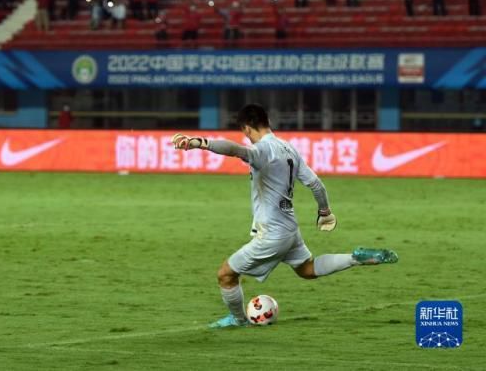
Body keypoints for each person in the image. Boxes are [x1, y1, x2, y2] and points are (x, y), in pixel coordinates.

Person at [171, 104, 399, 329]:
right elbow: (316, 185)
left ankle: (238, 320)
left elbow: (234, 150)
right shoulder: (288, 148)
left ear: (247, 129)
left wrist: (199, 142)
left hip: (272, 233)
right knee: (307, 269)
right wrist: (324, 212)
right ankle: (355, 258)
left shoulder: (263, 150)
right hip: (290, 228)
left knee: (226, 274)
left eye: (244, 132)